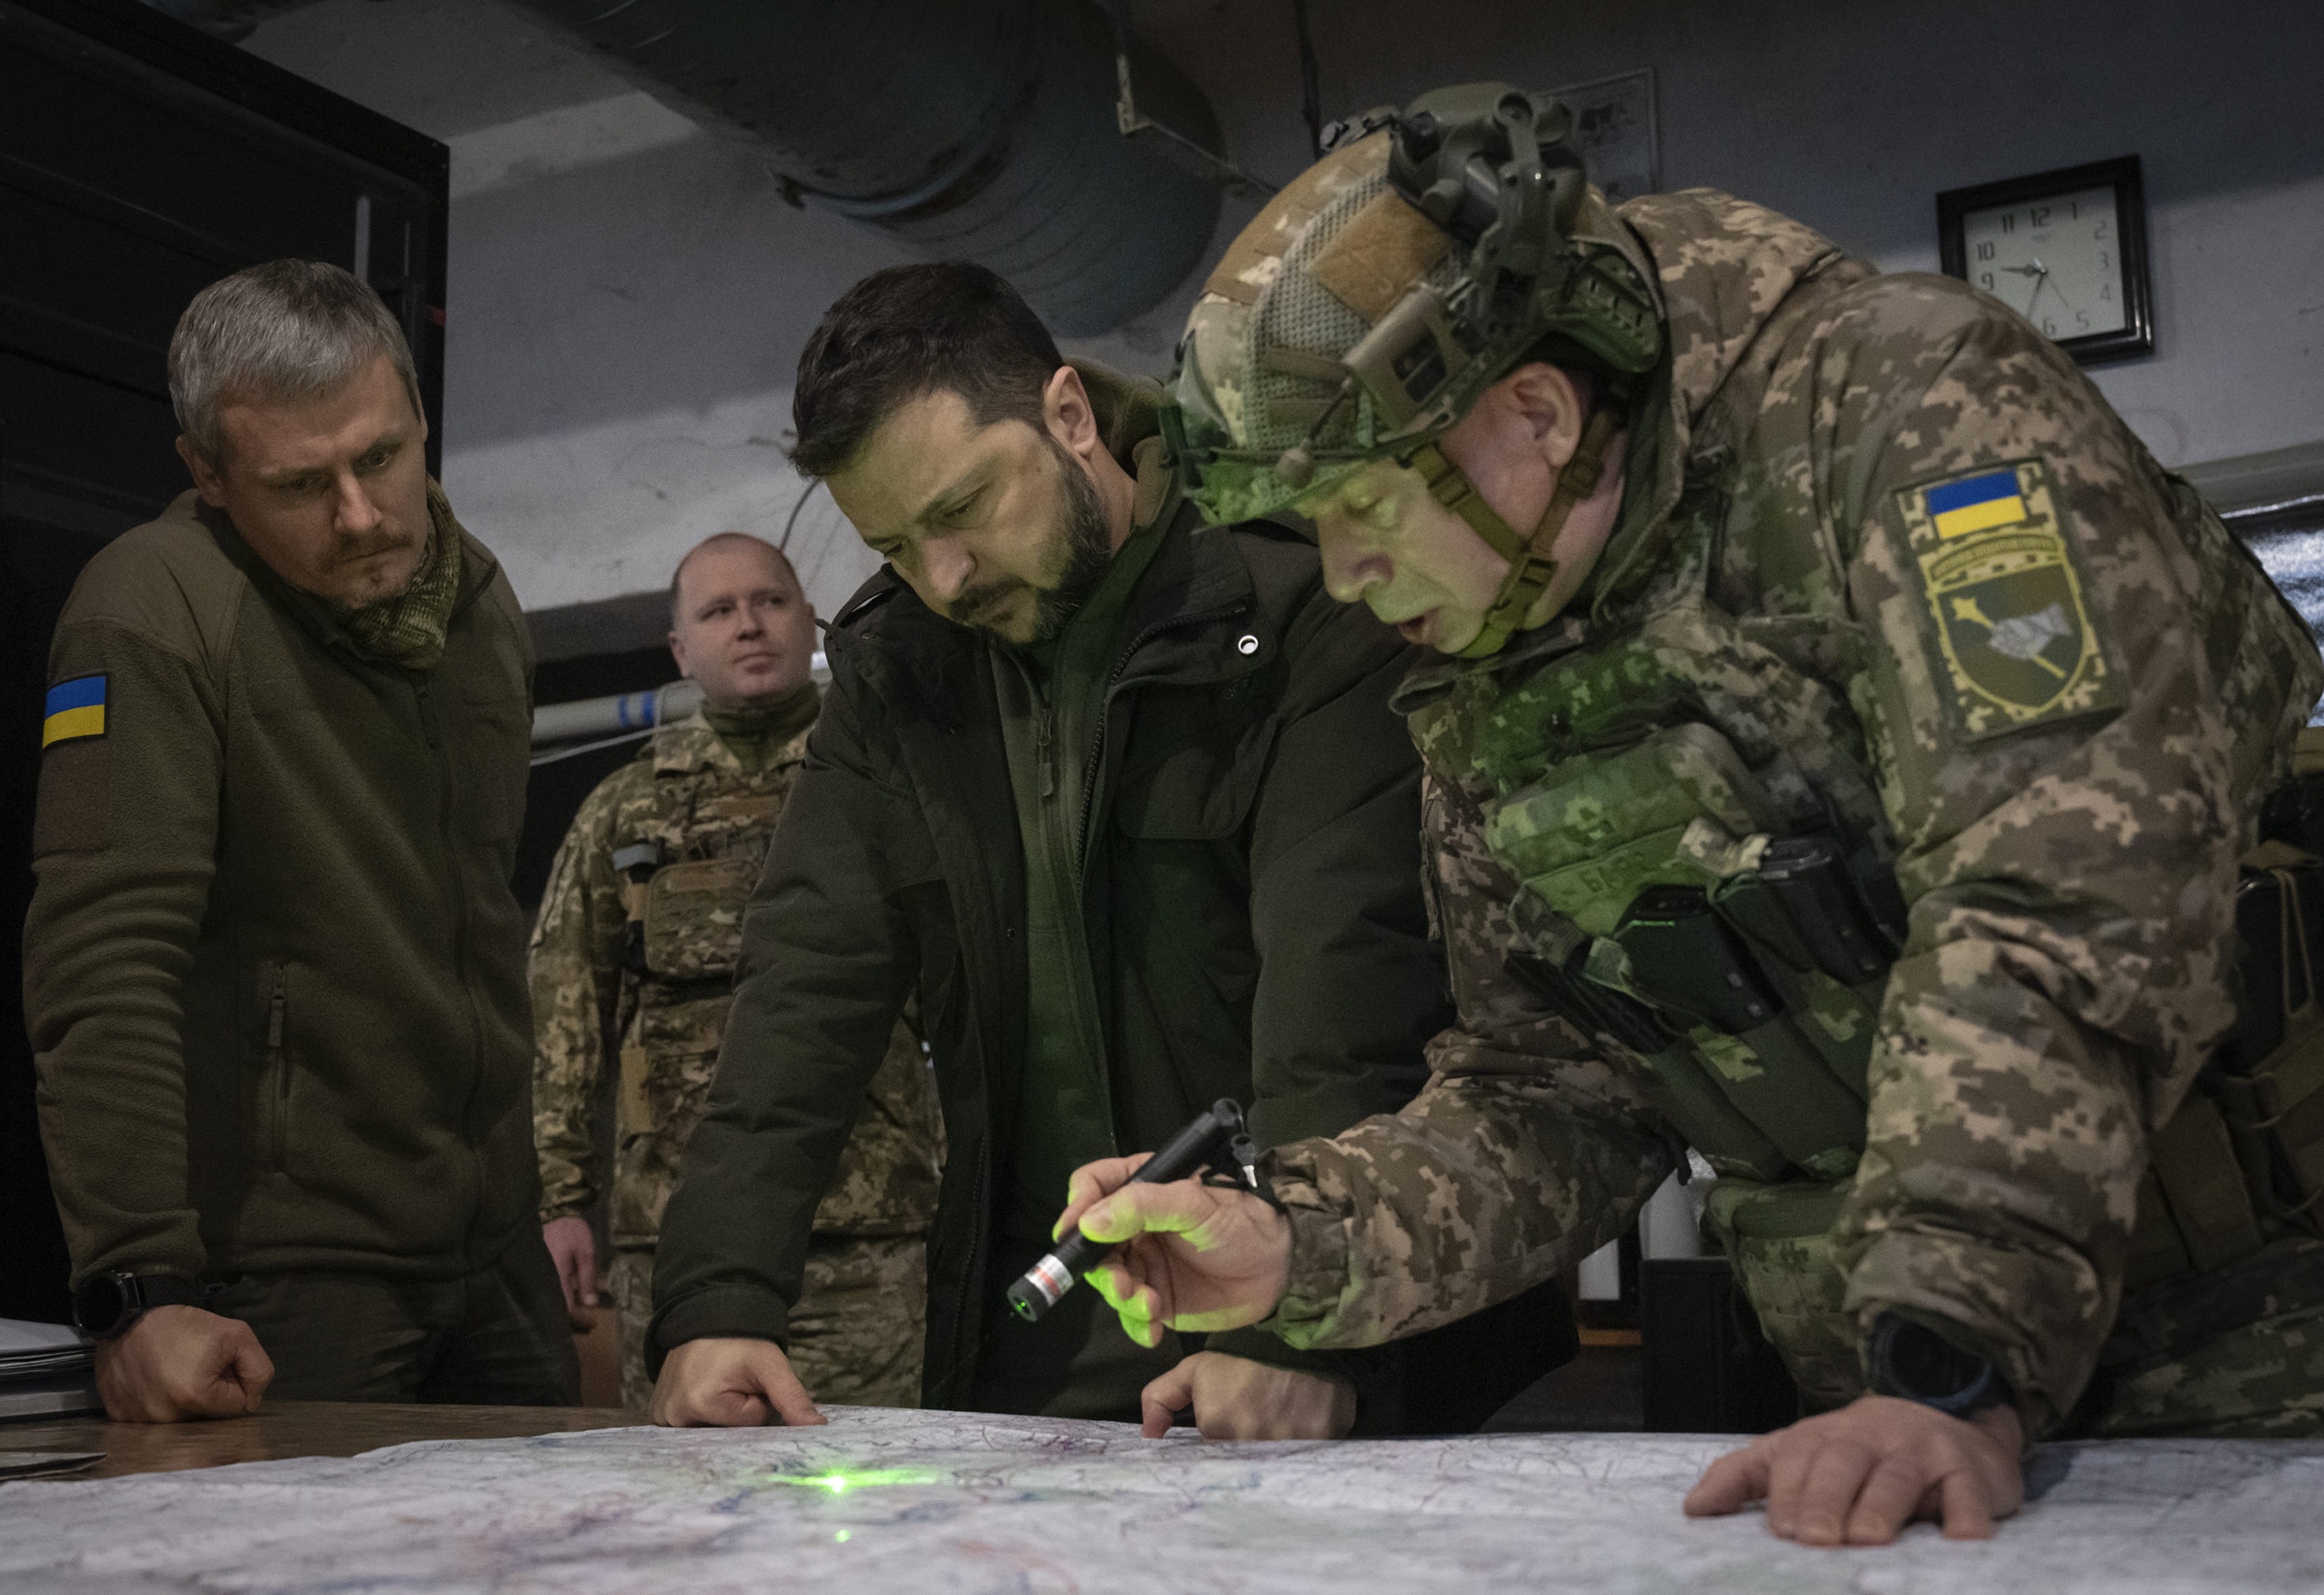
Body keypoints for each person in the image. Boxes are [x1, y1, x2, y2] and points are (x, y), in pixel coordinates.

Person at [1054, 83, 2324, 1541]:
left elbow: (2062, 880)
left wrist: (1947, 1342)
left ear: (1531, 410)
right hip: (1900, 1401)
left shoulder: (1906, 409)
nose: (1342, 576)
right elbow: (1556, 1088)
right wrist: (1300, 1238)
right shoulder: (1496, 642)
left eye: (1364, 509)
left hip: (2252, 1352)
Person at [645, 262, 1575, 1437]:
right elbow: (802, 989)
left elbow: (1345, 989)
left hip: (1342, 1322)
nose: (942, 577)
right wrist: (716, 1300)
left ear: (1070, 416)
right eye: (893, 545)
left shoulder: (1294, 598)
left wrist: (1287, 1320)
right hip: (1047, 1335)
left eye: (962, 509)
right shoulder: (901, 676)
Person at [24, 260, 577, 1419]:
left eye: (381, 457)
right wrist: (135, 1285)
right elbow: (102, 959)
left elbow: (479, 923)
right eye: (300, 483)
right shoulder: (150, 606)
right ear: (208, 476)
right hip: (286, 1280)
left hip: (497, 1261)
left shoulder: (482, 605)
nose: (362, 515)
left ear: (421, 420)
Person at [531, 531, 943, 1414]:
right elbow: (564, 1012)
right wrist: (561, 1199)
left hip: (869, 1234)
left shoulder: (893, 782)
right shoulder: (623, 810)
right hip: (675, 1237)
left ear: (811, 621)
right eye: (718, 611)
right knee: (695, 1507)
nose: (748, 625)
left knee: (889, 1495)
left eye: (770, 601)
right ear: (680, 650)